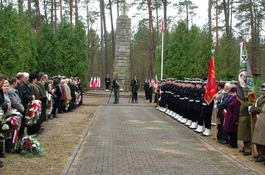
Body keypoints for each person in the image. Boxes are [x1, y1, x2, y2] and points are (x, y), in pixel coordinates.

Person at [249, 83, 265, 162]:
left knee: (261, 139)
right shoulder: (260, 98)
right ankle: (259, 153)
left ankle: (262, 155)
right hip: (258, 119)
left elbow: (260, 109)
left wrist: (253, 109)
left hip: (262, 119)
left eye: (264, 90)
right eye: (262, 90)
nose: (263, 92)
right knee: (257, 138)